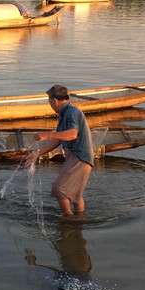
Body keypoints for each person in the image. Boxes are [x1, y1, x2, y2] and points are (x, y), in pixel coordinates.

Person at [25, 84, 93, 216]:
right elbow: (58, 139)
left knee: (59, 189)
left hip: (79, 157)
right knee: (76, 195)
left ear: (54, 100)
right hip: (78, 156)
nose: (50, 104)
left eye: (49, 101)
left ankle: (68, 218)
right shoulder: (66, 112)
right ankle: (79, 219)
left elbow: (72, 134)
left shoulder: (71, 112)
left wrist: (47, 134)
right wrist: (37, 154)